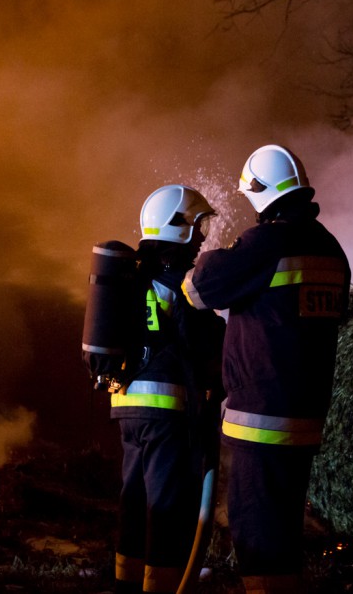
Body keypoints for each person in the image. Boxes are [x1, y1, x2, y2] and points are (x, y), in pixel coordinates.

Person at [181, 145, 350, 594]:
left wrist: (215, 252)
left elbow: (199, 289)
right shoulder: (331, 249)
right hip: (304, 421)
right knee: (284, 537)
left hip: (261, 420)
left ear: (258, 191)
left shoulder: (266, 242)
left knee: (257, 538)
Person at [111, 184, 224, 594]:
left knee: (134, 500)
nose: (201, 238)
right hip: (166, 412)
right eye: (197, 228)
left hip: (127, 407)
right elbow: (206, 342)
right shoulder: (181, 282)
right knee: (167, 508)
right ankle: (162, 588)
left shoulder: (131, 276)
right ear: (179, 227)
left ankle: (126, 583)